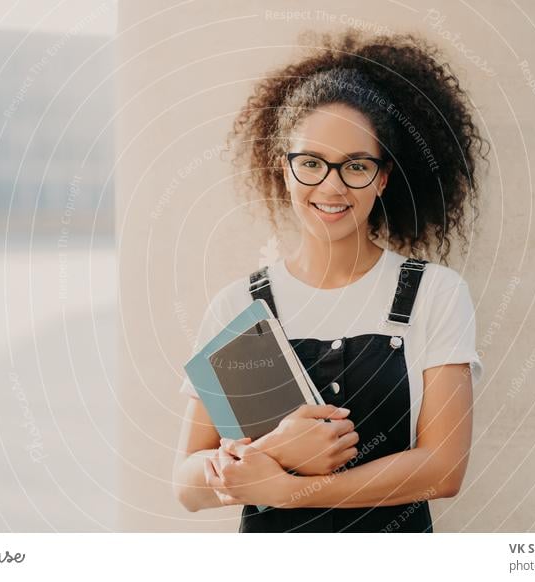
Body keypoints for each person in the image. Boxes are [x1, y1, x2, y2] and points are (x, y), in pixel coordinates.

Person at [172, 28, 489, 532]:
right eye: (312, 164)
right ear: (285, 169)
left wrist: (288, 490)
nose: (332, 186)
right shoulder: (239, 306)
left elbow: (444, 468)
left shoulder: (435, 294)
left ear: (382, 178)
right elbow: (187, 484)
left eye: (356, 166)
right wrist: (276, 449)